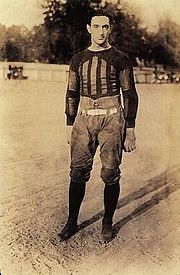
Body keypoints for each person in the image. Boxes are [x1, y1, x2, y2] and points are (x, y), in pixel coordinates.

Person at [59, 10, 138, 242]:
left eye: (105, 27)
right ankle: (72, 221)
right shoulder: (78, 59)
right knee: (77, 171)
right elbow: (71, 93)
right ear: (88, 28)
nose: (101, 31)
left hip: (111, 120)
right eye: (96, 26)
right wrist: (69, 124)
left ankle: (107, 222)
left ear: (110, 29)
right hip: (83, 120)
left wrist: (130, 129)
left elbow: (130, 94)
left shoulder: (121, 58)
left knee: (111, 172)